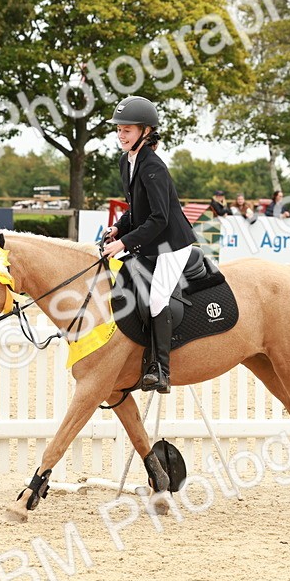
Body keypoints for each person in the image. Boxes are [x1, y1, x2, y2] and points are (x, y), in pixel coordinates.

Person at [101, 96, 197, 394]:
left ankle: (161, 370)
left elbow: (159, 218)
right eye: (119, 130)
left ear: (146, 131)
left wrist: (123, 243)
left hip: (171, 245)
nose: (121, 135)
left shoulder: (153, 166)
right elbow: (136, 209)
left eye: (127, 130)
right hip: (149, 244)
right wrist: (118, 227)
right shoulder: (127, 161)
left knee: (157, 299)